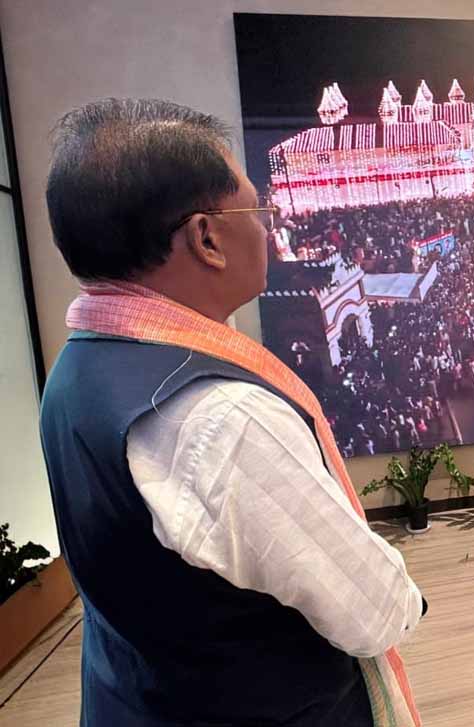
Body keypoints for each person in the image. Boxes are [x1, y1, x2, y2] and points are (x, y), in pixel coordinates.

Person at [39, 99, 424, 727]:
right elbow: (375, 609)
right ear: (207, 238)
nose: (271, 230)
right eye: (259, 211)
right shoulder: (222, 417)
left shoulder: (80, 366)